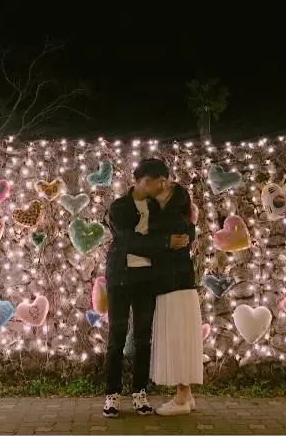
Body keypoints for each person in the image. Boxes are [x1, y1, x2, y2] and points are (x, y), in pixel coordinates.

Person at [103, 159, 189, 418]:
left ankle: (139, 392)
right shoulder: (119, 207)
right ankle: (112, 394)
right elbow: (128, 240)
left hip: (147, 280)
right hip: (120, 278)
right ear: (145, 181)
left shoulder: (156, 206)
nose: (163, 186)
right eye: (160, 181)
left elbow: (180, 224)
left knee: (143, 338)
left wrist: (182, 235)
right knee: (117, 338)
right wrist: (165, 242)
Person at [150, 181, 203, 416]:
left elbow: (155, 248)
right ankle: (186, 394)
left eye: (165, 189)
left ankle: (181, 398)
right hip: (180, 286)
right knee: (181, 338)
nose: (160, 190)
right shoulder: (182, 221)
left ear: (173, 198)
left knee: (177, 340)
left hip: (174, 286)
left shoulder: (170, 221)